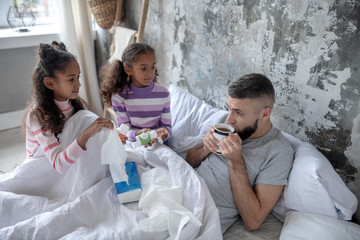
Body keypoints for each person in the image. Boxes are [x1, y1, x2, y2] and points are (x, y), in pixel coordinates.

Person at [186, 73, 294, 232]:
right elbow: (188, 162)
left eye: (238, 112)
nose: (229, 119)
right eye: (229, 108)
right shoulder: (226, 124)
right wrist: (205, 148)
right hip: (180, 188)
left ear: (265, 114)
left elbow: (253, 221)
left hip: (198, 215)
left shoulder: (278, 152)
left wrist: (236, 162)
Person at [23, 41, 114, 174]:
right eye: (71, 79)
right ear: (50, 83)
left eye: (78, 77)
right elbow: (59, 165)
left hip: (68, 162)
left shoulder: (74, 104)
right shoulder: (38, 116)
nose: (78, 84)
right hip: (41, 171)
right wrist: (87, 133)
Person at [100, 42, 171, 145]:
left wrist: (163, 134)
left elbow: (167, 128)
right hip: (133, 142)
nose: (150, 73)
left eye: (152, 67)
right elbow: (123, 130)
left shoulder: (163, 94)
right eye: (143, 68)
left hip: (158, 144)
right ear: (128, 69)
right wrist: (140, 134)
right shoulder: (119, 96)